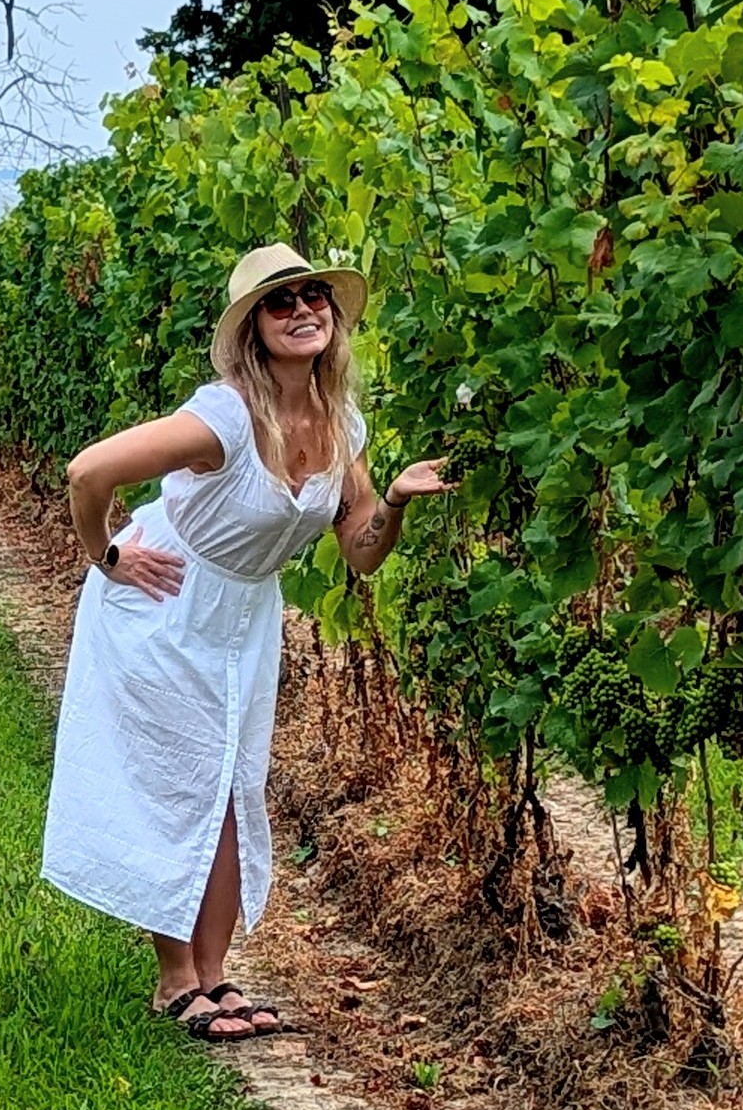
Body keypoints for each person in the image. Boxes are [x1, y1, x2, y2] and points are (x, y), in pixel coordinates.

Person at [42, 242, 451, 1042]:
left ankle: (217, 976)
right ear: (253, 329)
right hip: (166, 601)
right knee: (176, 781)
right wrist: (108, 556)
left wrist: (395, 501)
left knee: (234, 785)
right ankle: (174, 980)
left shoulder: (342, 424)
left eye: (314, 298)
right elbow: (88, 471)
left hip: (244, 612)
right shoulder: (224, 416)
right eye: (279, 302)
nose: (302, 311)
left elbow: (362, 554)